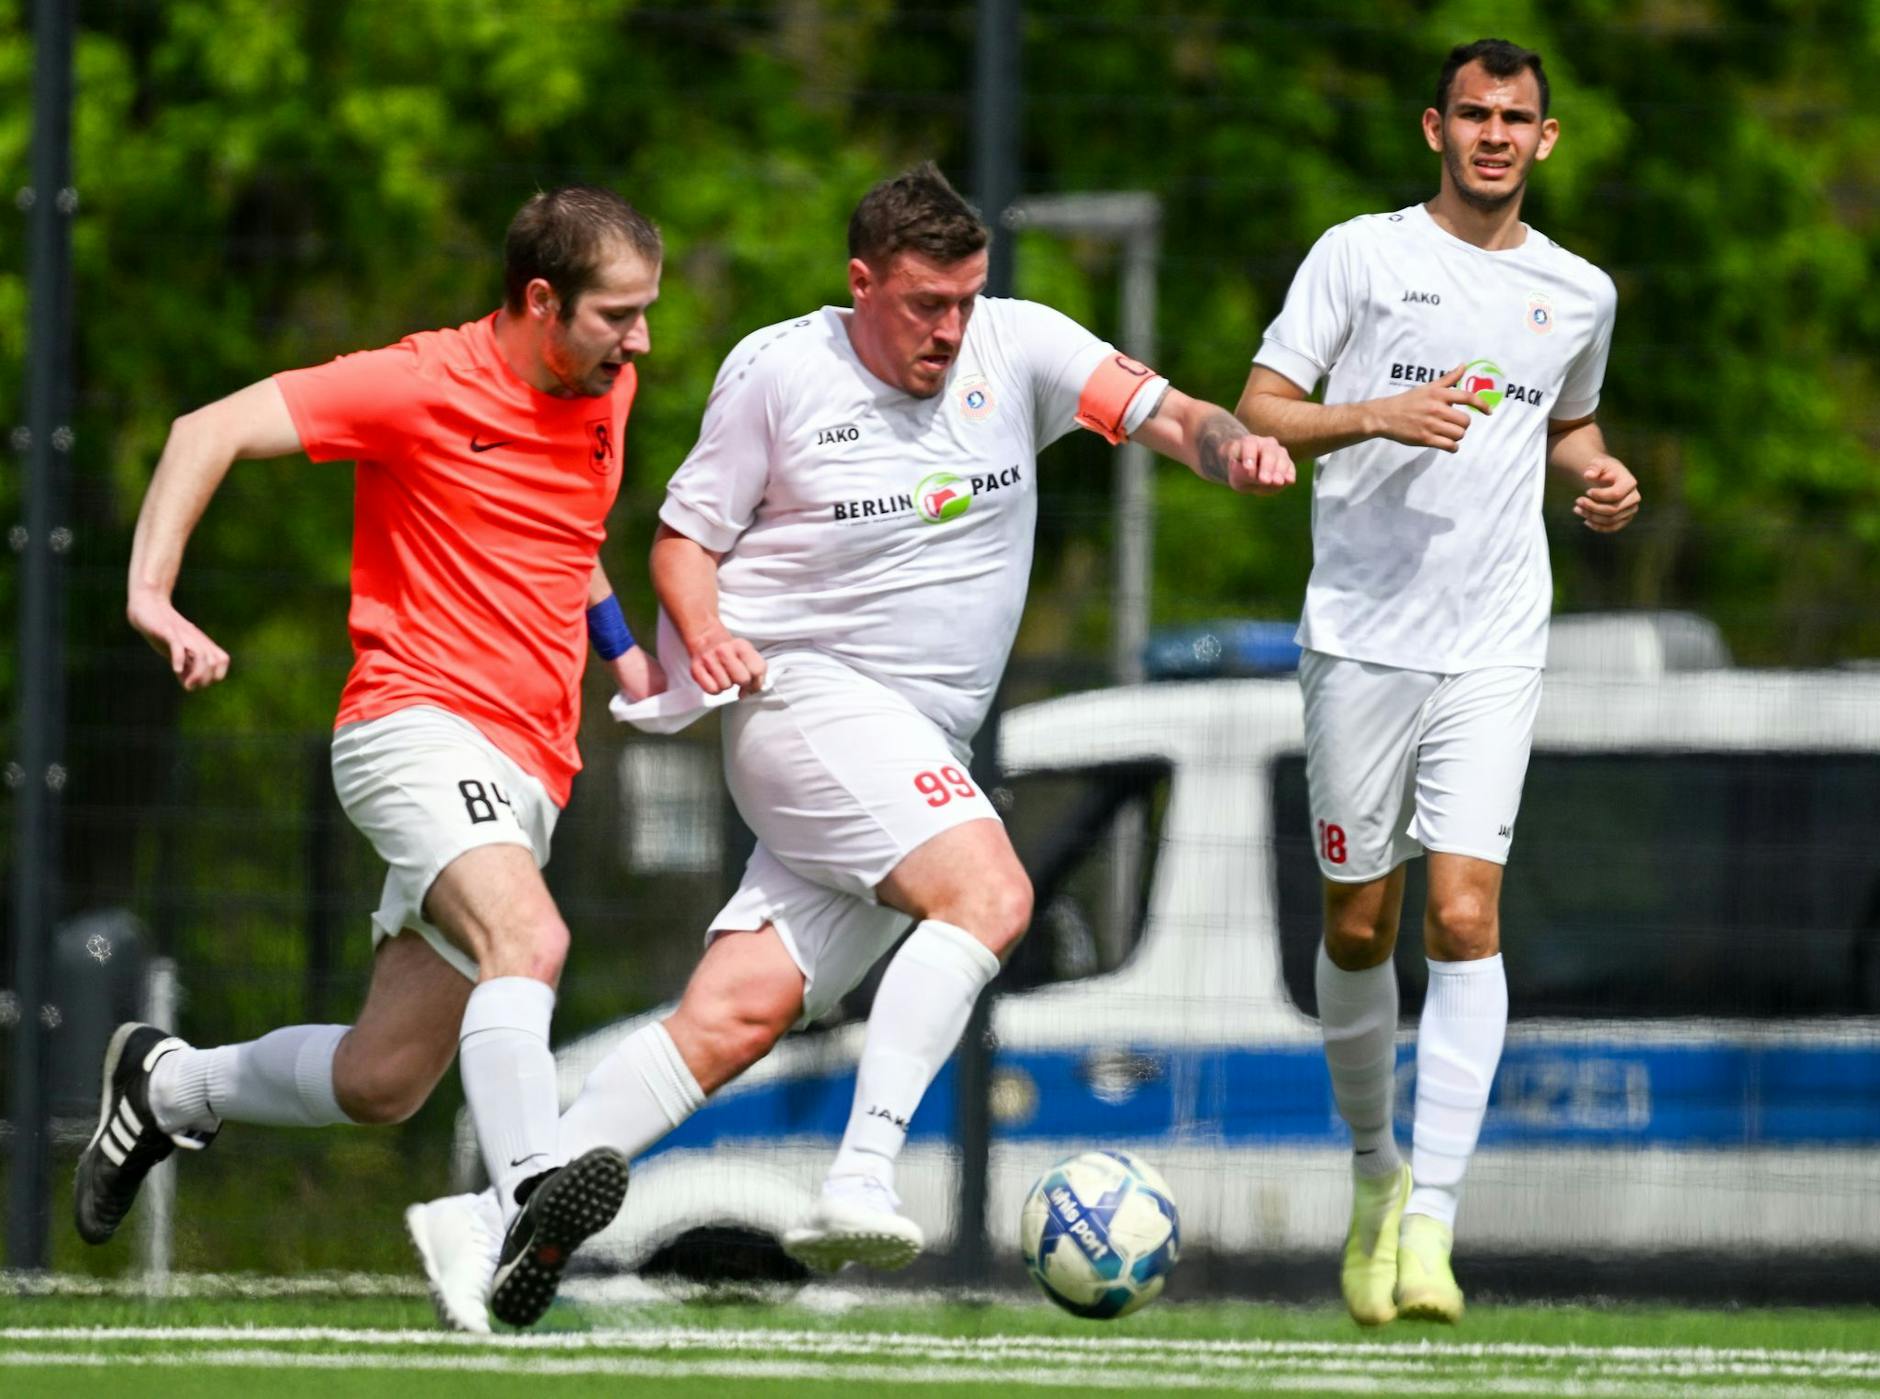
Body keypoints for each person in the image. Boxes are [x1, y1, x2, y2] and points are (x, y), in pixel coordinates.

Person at [405, 160, 1293, 1330]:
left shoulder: (1016, 347)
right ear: (860, 282)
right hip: (800, 704)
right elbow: (681, 543)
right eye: (925, 303)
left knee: (734, 1014)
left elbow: (1170, 412)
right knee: (987, 891)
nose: (949, 329)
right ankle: (860, 1172)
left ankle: (483, 1219)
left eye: (966, 300)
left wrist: (1228, 447)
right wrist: (707, 632)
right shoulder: (778, 370)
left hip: (909, 747)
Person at [77, 185, 668, 1329]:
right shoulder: (416, 382)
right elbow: (207, 430)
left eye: (644, 313)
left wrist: (623, 652)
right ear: (540, 301)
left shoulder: (606, 389)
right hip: (411, 723)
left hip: (526, 769)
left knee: (382, 1079)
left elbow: (567, 537)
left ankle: (168, 1083)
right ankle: (522, 1201)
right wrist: (152, 594)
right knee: (530, 937)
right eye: (617, 314)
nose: (639, 339)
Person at [1234, 38, 1642, 1326]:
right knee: (1359, 925)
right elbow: (1259, 408)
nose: (1493, 135)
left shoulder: (1579, 290)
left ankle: (1433, 1223)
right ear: (1432, 128)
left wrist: (1597, 473)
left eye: (1514, 118)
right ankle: (1374, 1172)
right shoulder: (1359, 256)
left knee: (1464, 915)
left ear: (1545, 138)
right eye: (1472, 114)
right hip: (1359, 634)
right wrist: (1371, 415)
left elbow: (1561, 422)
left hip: (1495, 640)